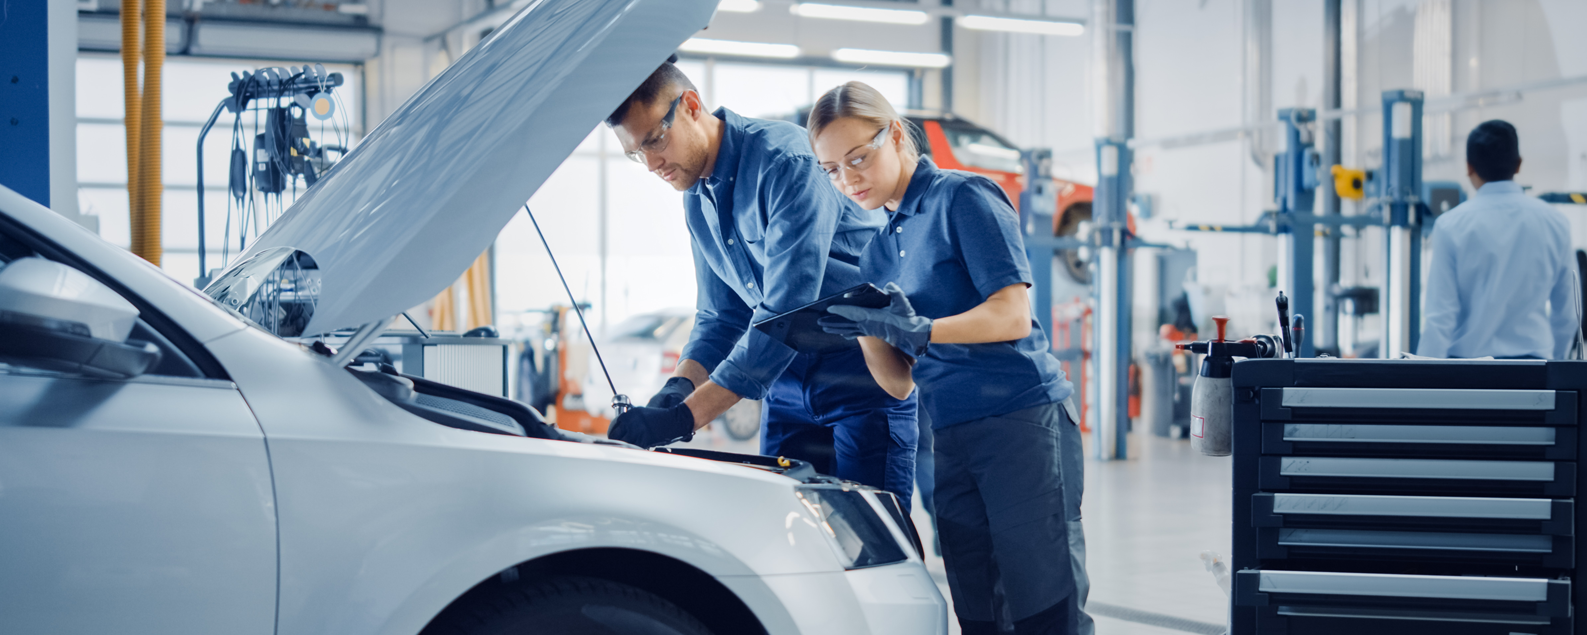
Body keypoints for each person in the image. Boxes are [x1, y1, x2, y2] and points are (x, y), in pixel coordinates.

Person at [808, 81, 1091, 635]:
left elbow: (1009, 315)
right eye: (832, 170)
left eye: (858, 158)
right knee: (978, 605)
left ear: (893, 135)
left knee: (1042, 602)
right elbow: (898, 385)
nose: (849, 180)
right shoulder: (878, 248)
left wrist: (920, 328)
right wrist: (863, 329)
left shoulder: (963, 197)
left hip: (1021, 421)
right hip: (951, 435)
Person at [602, 57, 918, 508]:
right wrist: (677, 390)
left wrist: (683, 419)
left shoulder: (787, 163)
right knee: (791, 537)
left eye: (655, 140)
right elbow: (720, 315)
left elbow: (785, 311)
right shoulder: (697, 198)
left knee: (875, 539)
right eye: (637, 153)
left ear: (691, 105)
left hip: (861, 379)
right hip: (784, 387)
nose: (652, 163)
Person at [1417, 119, 1578, 360]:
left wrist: (1423, 381)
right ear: (1518, 164)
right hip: (1535, 373)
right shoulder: (1555, 222)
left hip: (1469, 375)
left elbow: (1440, 317)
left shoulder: (1450, 226)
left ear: (1469, 167)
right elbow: (1567, 313)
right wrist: (1556, 367)